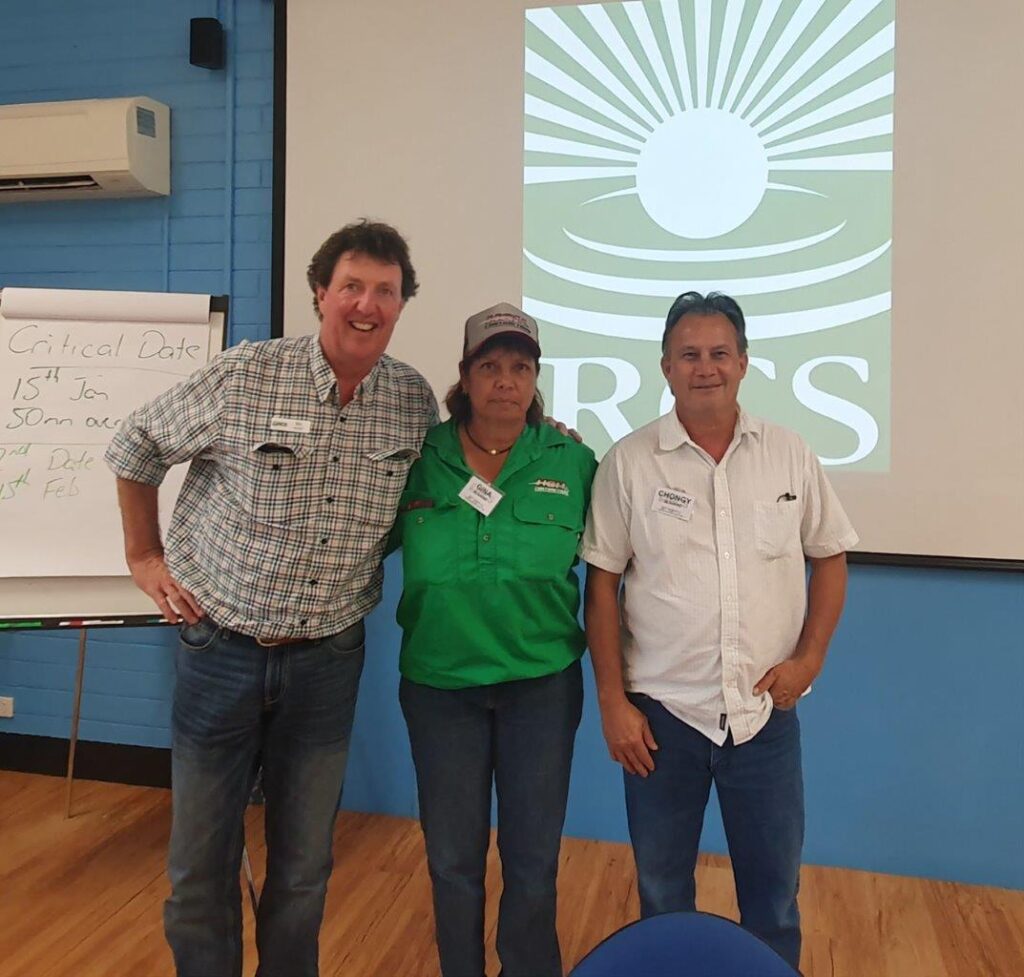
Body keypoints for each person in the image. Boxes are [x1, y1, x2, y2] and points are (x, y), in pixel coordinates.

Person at [104, 220, 437, 977]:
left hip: (326, 663)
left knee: (302, 867)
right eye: (352, 285)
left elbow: (434, 492)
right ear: (320, 291)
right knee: (198, 866)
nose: (367, 304)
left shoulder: (413, 403)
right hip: (219, 649)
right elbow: (134, 447)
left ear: (401, 305)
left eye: (385, 291)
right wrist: (144, 557)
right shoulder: (248, 373)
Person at [580, 291, 857, 970]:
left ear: (743, 362)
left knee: (773, 901)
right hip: (660, 722)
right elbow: (603, 587)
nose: (706, 367)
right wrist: (613, 703)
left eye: (719, 353)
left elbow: (830, 554)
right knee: (662, 897)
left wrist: (810, 658)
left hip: (764, 716)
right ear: (666, 368)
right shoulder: (629, 461)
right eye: (689, 355)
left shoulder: (788, 453)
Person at [391, 303, 597, 977]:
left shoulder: (574, 461)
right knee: (453, 861)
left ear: (535, 378)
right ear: (466, 376)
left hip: (540, 687)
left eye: (519, 367)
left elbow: (614, 570)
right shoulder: (417, 459)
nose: (504, 380)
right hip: (439, 687)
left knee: (533, 858)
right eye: (489, 366)